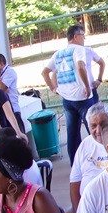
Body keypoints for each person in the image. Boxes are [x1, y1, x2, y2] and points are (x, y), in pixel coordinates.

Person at [41, 24, 103, 161]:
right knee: (95, 129)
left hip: (67, 99)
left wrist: (53, 88)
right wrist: (87, 87)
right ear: (76, 36)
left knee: (72, 133)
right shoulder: (79, 49)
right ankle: (103, 157)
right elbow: (81, 66)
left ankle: (75, 164)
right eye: (83, 36)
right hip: (82, 97)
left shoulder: (58, 54)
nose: (84, 39)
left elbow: (45, 72)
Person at [67, 103, 108, 213]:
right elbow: (75, 182)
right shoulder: (85, 145)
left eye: (103, 124)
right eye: (93, 126)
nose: (98, 130)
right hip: (87, 206)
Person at [0, 52, 21, 122]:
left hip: (13, 110)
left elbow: (2, 88)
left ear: (2, 64)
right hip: (2, 112)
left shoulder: (10, 72)